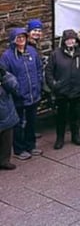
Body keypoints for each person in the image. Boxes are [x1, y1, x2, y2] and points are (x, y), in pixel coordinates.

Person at [0, 28, 42, 160]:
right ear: (13, 39)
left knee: (31, 121)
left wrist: (39, 83)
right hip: (17, 96)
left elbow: (39, 68)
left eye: (23, 37)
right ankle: (19, 149)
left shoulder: (32, 51)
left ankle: (31, 145)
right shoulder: (7, 56)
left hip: (33, 94)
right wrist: (15, 91)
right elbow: (5, 76)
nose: (21, 39)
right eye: (18, 37)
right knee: (17, 124)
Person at [45, 29, 80, 150]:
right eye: (68, 39)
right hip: (61, 91)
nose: (70, 41)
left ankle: (76, 136)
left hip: (76, 90)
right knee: (61, 116)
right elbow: (49, 71)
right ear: (64, 41)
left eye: (73, 39)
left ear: (76, 40)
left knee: (75, 114)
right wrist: (54, 85)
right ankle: (60, 138)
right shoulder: (55, 54)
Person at [0, 65, 20, 170]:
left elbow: (14, 86)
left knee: (7, 141)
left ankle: (4, 161)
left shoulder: (3, 73)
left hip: (6, 113)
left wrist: (4, 75)